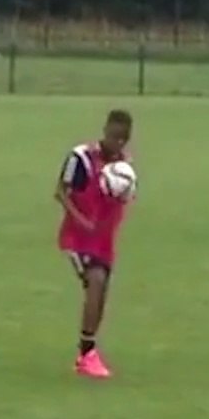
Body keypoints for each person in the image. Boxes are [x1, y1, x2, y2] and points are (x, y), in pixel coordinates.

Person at [55, 109, 134, 379]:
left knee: (100, 296)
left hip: (103, 242)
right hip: (77, 238)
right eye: (114, 137)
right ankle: (87, 353)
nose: (118, 143)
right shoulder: (82, 158)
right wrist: (82, 221)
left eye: (124, 138)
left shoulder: (124, 167)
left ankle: (86, 352)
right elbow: (60, 193)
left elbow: (122, 199)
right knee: (96, 281)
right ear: (105, 132)